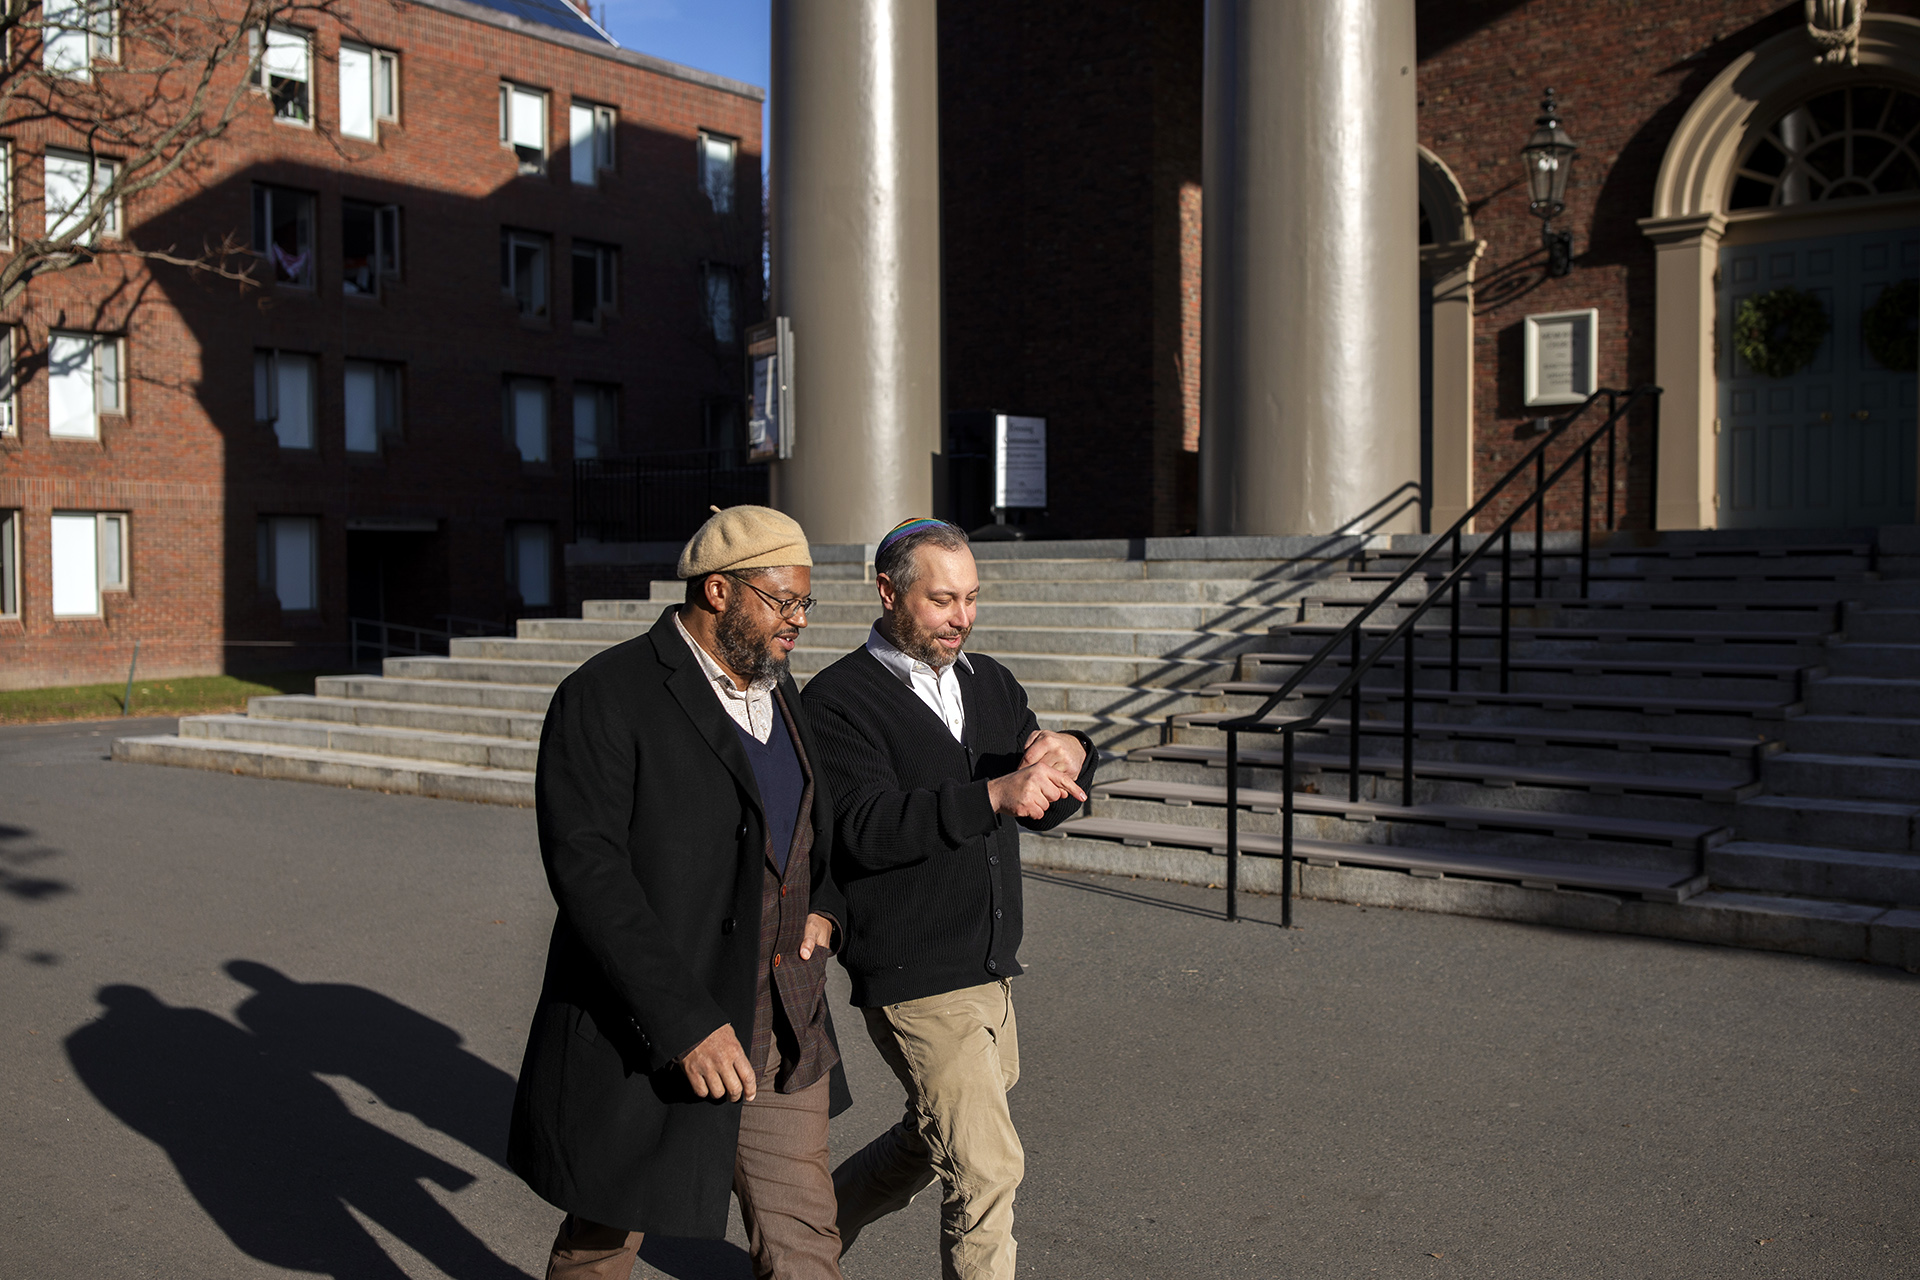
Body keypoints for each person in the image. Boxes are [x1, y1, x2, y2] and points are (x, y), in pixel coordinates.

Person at [508, 505, 850, 1280]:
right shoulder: (606, 695)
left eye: (806, 604)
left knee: (804, 1243)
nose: (798, 622)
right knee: (604, 1240)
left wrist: (827, 906)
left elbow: (807, 834)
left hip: (784, 1028)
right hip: (660, 1028)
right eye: (782, 601)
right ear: (720, 591)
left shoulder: (780, 691)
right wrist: (685, 1023)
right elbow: (589, 874)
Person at [801, 517, 1098, 1280]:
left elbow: (1048, 797)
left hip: (990, 964)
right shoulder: (838, 700)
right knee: (988, 1168)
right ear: (888, 591)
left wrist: (1073, 753)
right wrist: (993, 791)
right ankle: (799, 1242)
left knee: (932, 1140)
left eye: (971, 598)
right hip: (913, 969)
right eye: (941, 600)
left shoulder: (991, 681)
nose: (961, 618)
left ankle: (803, 1238)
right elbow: (864, 829)